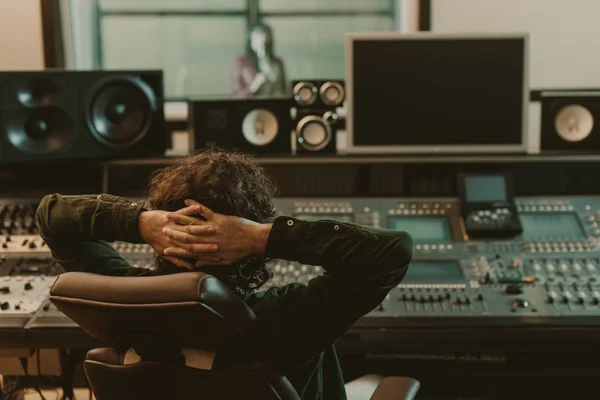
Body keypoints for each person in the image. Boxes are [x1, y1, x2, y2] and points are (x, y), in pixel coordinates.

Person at [36, 148, 413, 400]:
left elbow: (52, 217)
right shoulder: (289, 318)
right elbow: (391, 251)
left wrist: (137, 222)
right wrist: (262, 236)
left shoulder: (121, 300)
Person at [233, 23, 287, 97]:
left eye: (264, 42)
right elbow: (237, 93)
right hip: (250, 104)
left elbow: (284, 90)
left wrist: (271, 74)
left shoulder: (277, 63)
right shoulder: (242, 62)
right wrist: (254, 86)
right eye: (257, 39)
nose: (261, 45)